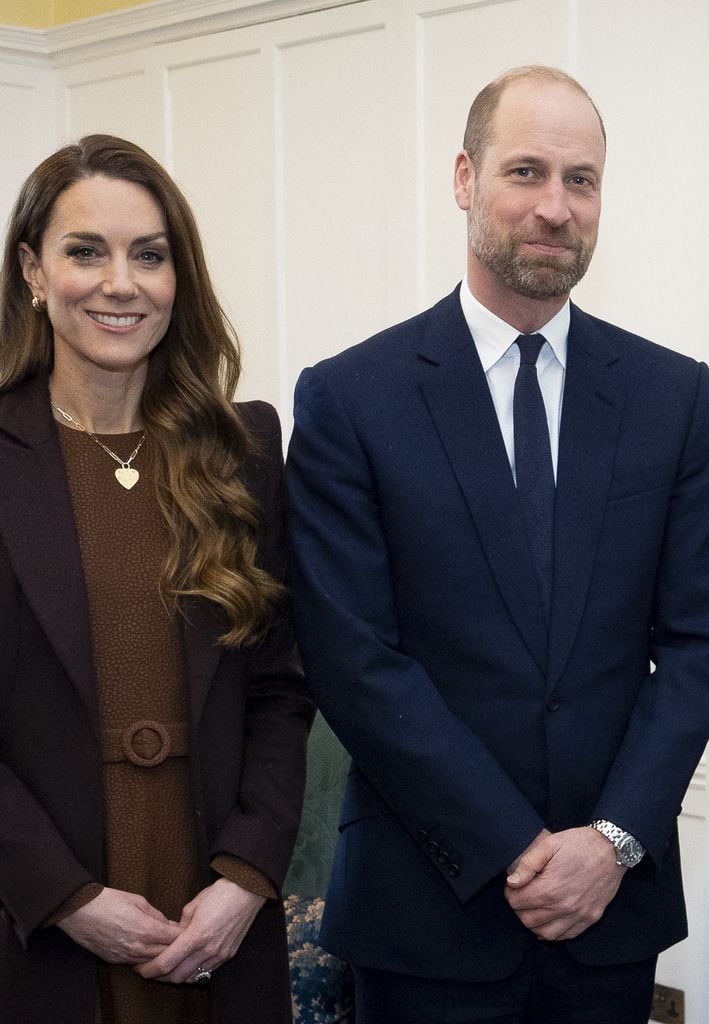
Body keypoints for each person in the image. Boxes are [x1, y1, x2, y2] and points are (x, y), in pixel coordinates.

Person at [287, 65, 709, 1023]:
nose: (555, 207)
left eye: (582, 180)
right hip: (425, 908)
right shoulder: (351, 399)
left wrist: (611, 841)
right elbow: (354, 657)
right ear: (464, 178)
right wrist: (512, 847)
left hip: (609, 916)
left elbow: (699, 639)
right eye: (526, 172)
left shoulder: (671, 396)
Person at [0, 135, 313, 1024]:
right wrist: (64, 897)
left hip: (218, 910)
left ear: (181, 277)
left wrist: (247, 877)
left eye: (149, 255)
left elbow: (284, 690)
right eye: (84, 252)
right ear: (32, 270)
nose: (120, 283)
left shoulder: (243, 448)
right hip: (43, 924)